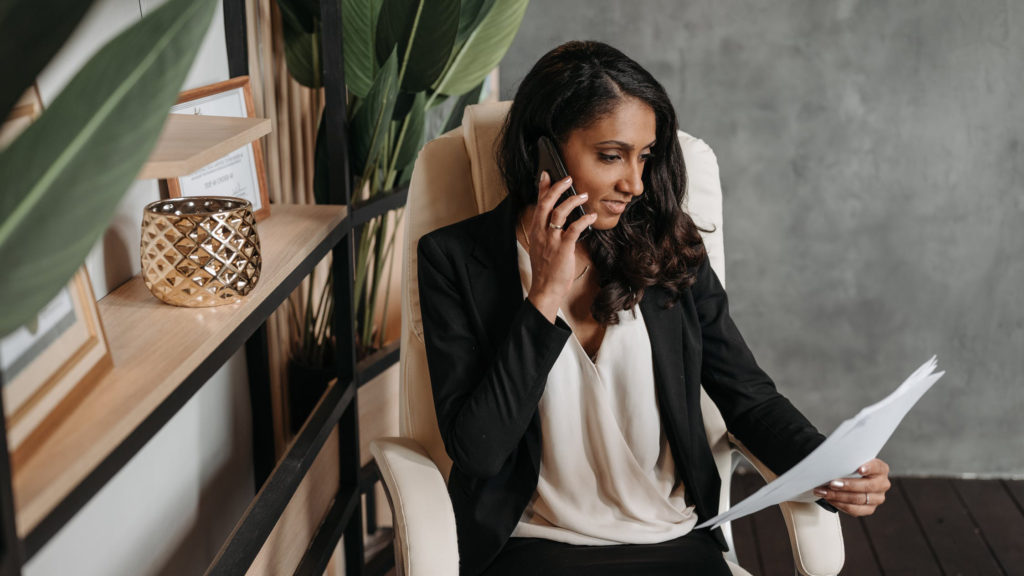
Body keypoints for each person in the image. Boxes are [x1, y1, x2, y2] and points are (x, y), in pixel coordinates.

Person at [416, 40, 891, 576]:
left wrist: (831, 468)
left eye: (644, 157)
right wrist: (544, 296)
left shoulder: (669, 248)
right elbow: (478, 450)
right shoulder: (453, 260)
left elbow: (749, 400)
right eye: (610, 156)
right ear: (544, 150)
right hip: (531, 547)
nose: (635, 184)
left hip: (670, 538)